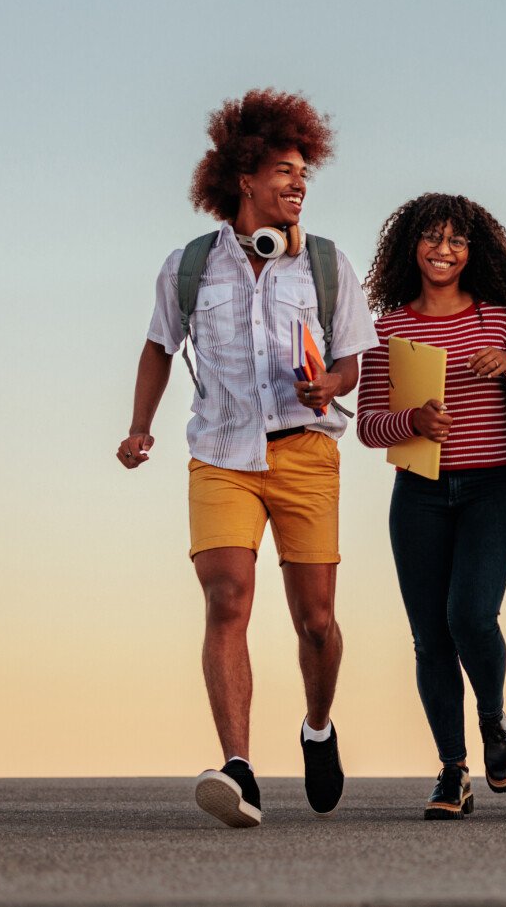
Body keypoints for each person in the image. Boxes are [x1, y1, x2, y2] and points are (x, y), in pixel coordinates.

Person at [116, 89, 378, 828]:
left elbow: (355, 362)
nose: (298, 184)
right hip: (221, 455)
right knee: (227, 596)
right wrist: (139, 427)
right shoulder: (190, 266)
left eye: (304, 172)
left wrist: (329, 381)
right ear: (244, 178)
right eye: (285, 172)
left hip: (305, 454)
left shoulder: (326, 266)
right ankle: (238, 768)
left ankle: (317, 726)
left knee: (316, 621)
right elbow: (158, 346)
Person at [356, 194, 506, 819]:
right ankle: (453, 770)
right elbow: (370, 426)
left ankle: (493, 722)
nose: (443, 250)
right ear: (411, 246)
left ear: (473, 251)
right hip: (419, 494)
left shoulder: (501, 320)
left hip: (491, 486)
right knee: (430, 638)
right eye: (432, 238)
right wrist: (414, 419)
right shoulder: (387, 329)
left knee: (471, 616)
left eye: (457, 240)